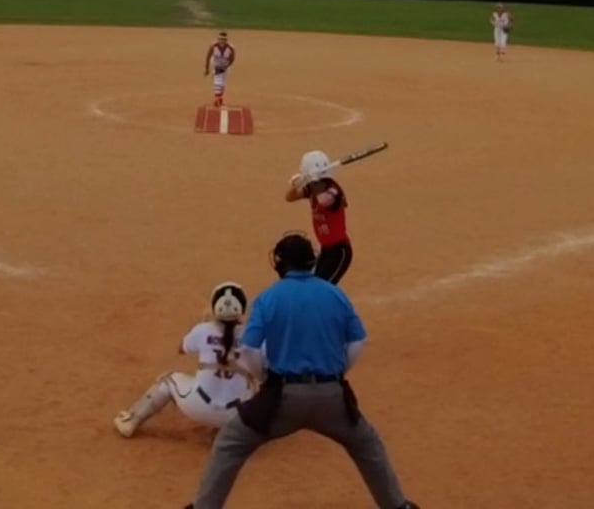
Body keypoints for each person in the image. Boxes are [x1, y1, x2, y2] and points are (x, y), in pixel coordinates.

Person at [182, 233, 419, 509]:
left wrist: (264, 377)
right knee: (367, 444)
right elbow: (359, 341)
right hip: (332, 398)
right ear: (311, 261)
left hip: (282, 398)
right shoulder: (335, 294)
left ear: (279, 263)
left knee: (231, 442)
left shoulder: (269, 298)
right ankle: (397, 506)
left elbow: (247, 349)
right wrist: (337, 373)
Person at [113, 283, 253, 437]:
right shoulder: (253, 335)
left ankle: (131, 421)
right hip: (238, 416)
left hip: (199, 407)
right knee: (258, 388)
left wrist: (205, 325)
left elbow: (181, 349)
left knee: (168, 380)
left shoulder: (203, 329)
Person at [285, 150, 354, 284]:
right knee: (315, 284)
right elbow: (289, 198)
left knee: (323, 287)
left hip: (339, 251)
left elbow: (324, 200)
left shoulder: (333, 190)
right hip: (326, 249)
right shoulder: (312, 188)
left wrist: (312, 180)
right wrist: (297, 185)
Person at [205, 31, 235, 107]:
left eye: (224, 39)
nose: (222, 41)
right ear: (218, 39)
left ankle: (220, 97)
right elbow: (208, 57)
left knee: (223, 84)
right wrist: (207, 69)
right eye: (220, 39)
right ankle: (217, 98)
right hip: (216, 65)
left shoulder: (231, 48)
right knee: (218, 81)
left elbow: (232, 59)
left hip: (225, 66)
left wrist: (226, 66)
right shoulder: (213, 46)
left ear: (226, 40)